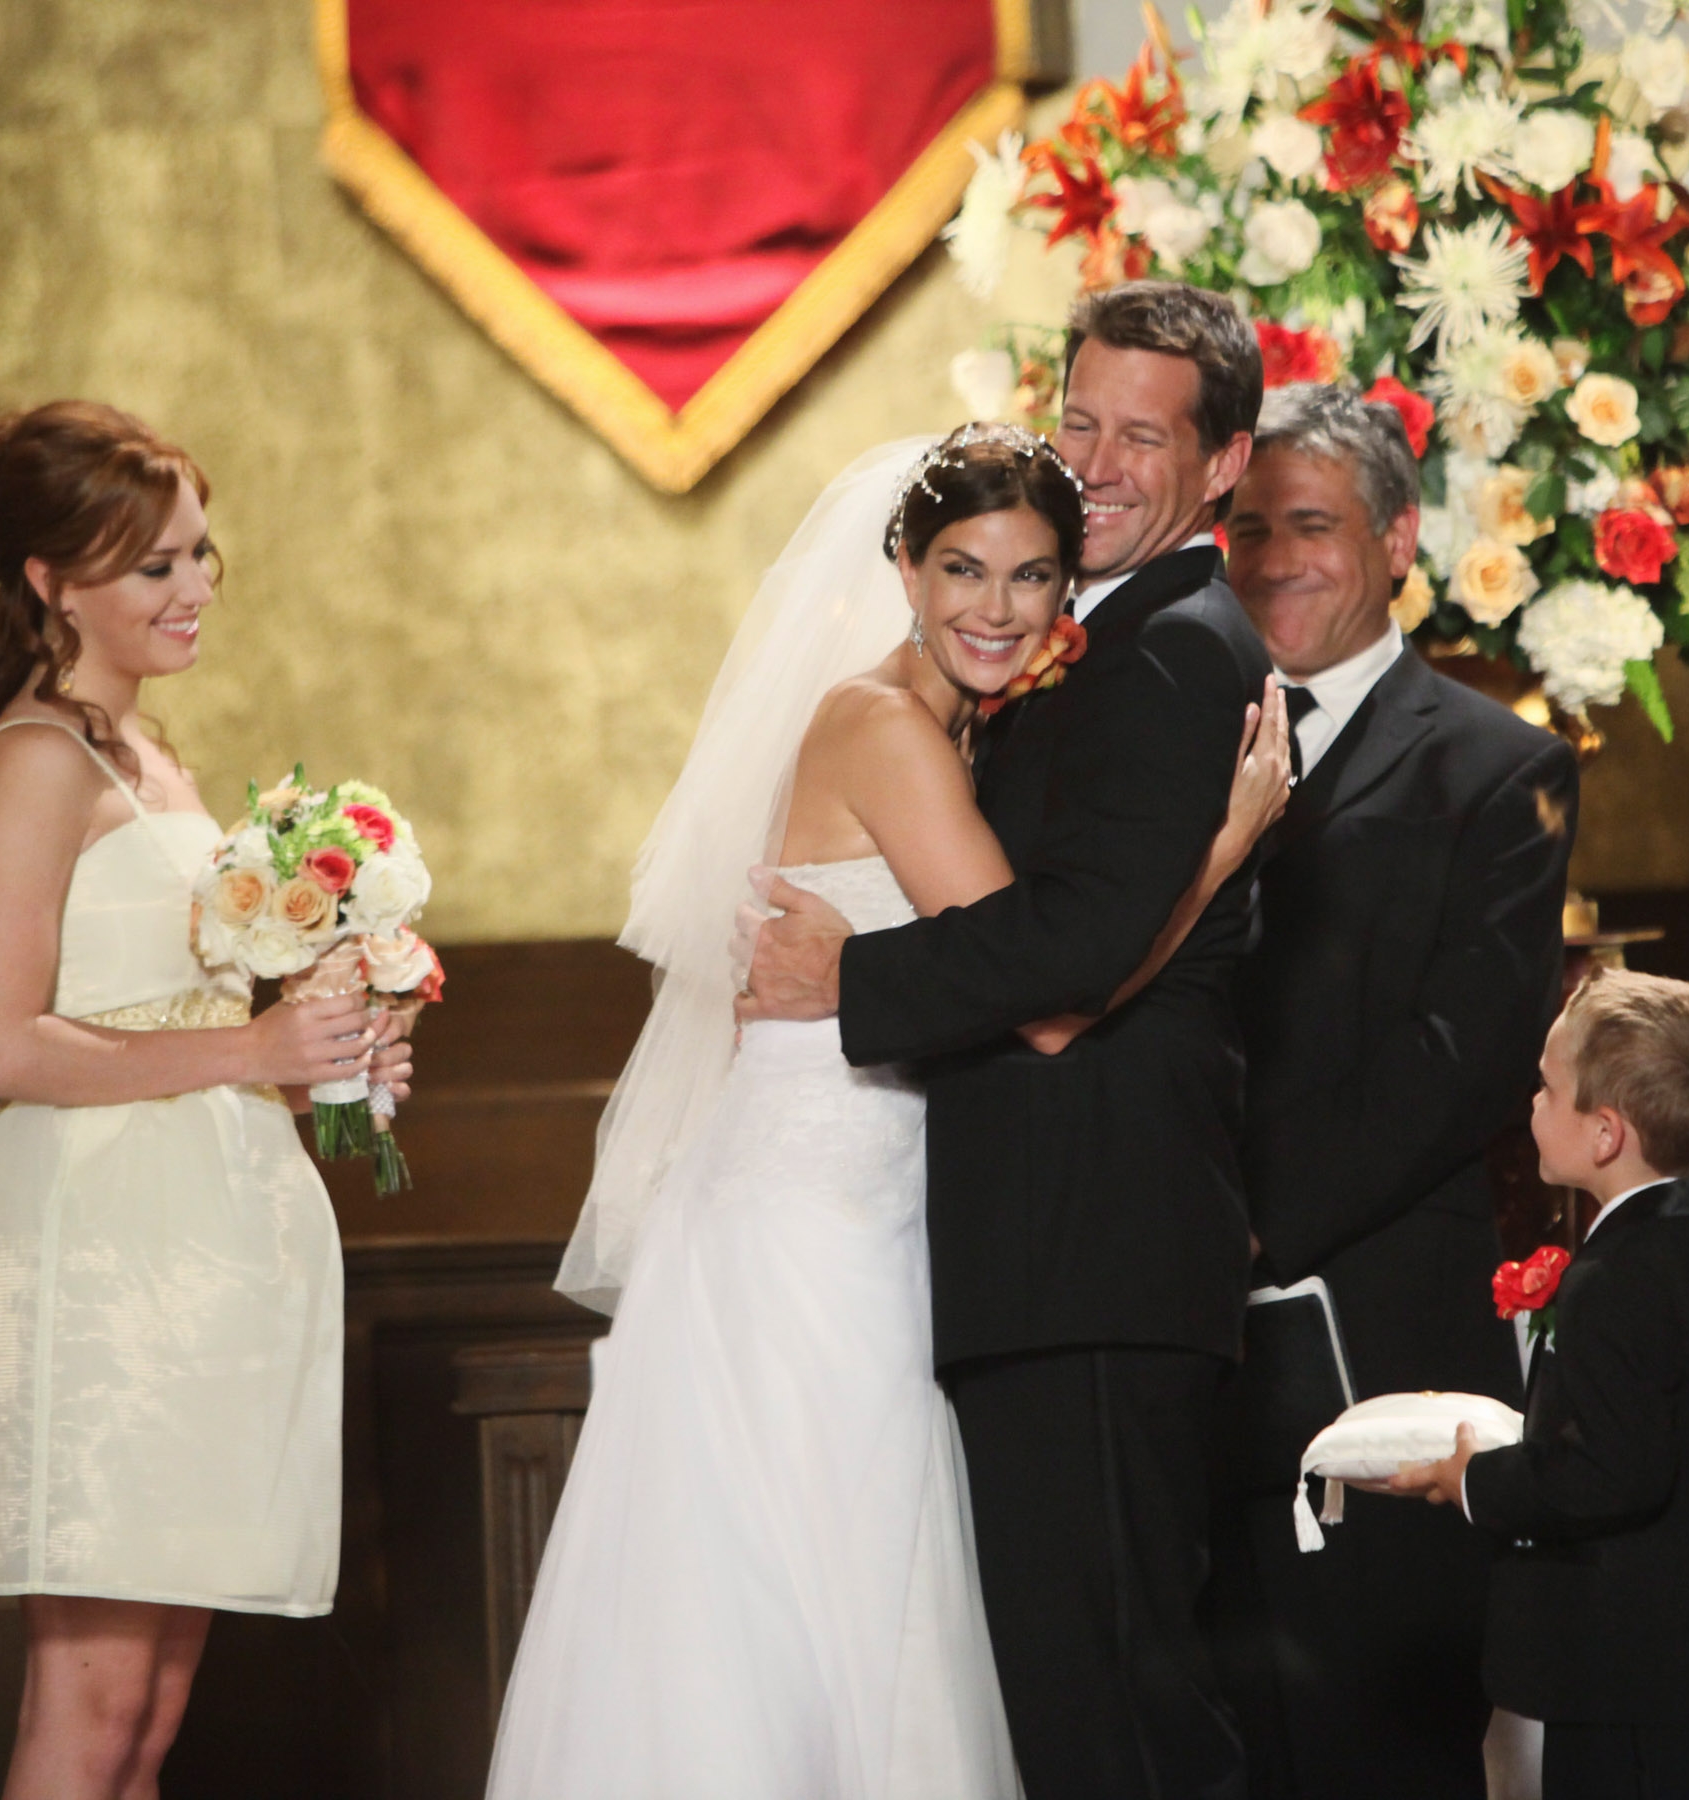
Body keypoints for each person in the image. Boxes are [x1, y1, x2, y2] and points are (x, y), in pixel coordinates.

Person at [487, 425, 1291, 1798]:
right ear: (903, 572)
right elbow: (1048, 998)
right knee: (818, 1616)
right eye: (963, 570)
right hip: (818, 1230)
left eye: (1034, 578)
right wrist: (1226, 843)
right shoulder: (881, 729)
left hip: (881, 1206)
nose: (997, 607)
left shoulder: (959, 728)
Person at [743, 282, 1276, 1800]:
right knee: (1083, 1701)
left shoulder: (1169, 653)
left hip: (1091, 1252)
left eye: (1145, 437)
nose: (1100, 463)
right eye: (1080, 422)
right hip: (1042, 1256)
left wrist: (855, 977)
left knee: (1118, 1712)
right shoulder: (1076, 647)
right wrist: (1215, 865)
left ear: (1226, 463)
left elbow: (1061, 961)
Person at [0, 400, 411, 1800]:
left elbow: (171, 1009)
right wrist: (252, 1055)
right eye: (155, 566)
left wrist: (323, 1057)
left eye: (201, 554)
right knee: (90, 1704)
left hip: (194, 1245)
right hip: (91, 1257)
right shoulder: (33, 760)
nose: (194, 588)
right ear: (53, 583)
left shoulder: (151, 758)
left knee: (152, 1715)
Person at [1211, 381, 1577, 1799]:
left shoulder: (1501, 768)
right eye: (1244, 531)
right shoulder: (1176, 747)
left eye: (1310, 525)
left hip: (1384, 1340)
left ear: (1398, 539)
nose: (1274, 559)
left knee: (1387, 1748)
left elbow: (1467, 1056)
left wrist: (1249, 1222)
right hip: (1191, 1361)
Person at [1385, 969, 1689, 1800]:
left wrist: (1476, 1481)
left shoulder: (1615, 1277)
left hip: (1634, 1684)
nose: (1531, 1105)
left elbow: (1611, 1471)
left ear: (1606, 1133)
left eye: (1547, 1087)